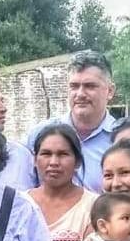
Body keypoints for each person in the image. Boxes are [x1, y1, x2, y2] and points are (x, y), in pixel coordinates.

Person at [26, 51, 118, 192]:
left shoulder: (120, 139)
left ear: (110, 91)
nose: (80, 94)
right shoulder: (39, 135)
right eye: (74, 86)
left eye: (90, 86)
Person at [24, 122, 97, 241]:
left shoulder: (94, 206)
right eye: (46, 154)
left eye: (63, 154)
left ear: (77, 161)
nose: (53, 162)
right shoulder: (18, 203)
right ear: (34, 159)